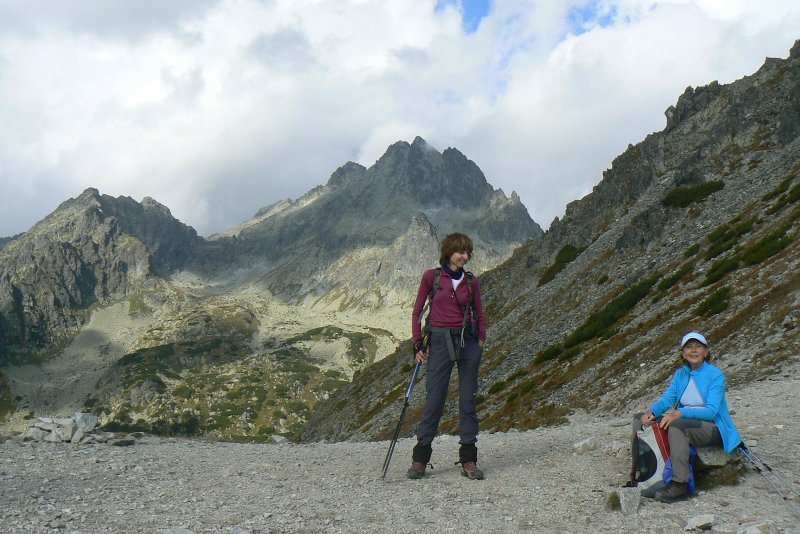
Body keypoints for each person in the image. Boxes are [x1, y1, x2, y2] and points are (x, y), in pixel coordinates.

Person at [407, 233, 487, 480]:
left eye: (468, 252)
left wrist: (480, 340)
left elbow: (480, 314)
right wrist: (418, 344)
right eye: (460, 252)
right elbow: (417, 313)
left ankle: (469, 460)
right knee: (434, 401)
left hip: (468, 342)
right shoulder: (431, 278)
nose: (465, 257)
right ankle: (420, 460)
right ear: (449, 252)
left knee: (467, 401)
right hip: (440, 342)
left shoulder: (472, 281)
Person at [632, 331, 742, 502]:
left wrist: (681, 412)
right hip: (689, 421)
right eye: (689, 347)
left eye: (698, 347)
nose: (693, 351)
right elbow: (669, 398)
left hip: (713, 427)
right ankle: (642, 472)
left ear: (706, 352)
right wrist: (652, 412)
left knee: (677, 427)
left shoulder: (715, 375)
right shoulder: (681, 374)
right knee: (639, 419)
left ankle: (680, 484)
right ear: (683, 353)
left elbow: (711, 411)